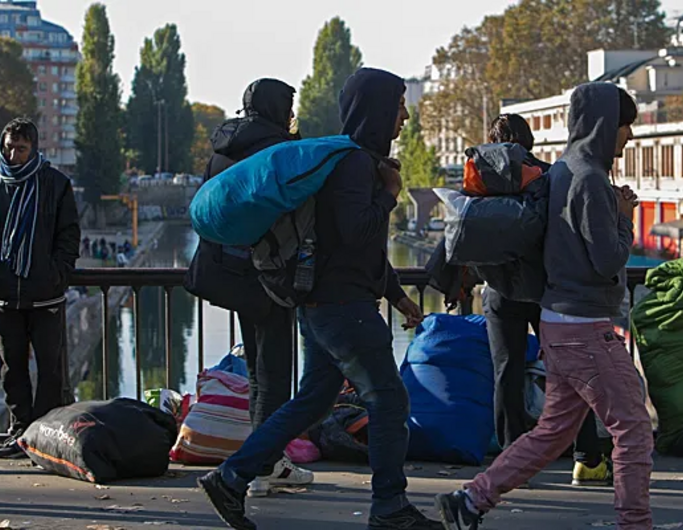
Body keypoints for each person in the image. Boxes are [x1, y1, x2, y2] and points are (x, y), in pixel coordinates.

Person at [199, 68, 440, 530]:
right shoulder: (354, 166)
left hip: (324, 306)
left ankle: (231, 478)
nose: (405, 117)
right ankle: (389, 506)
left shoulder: (351, 160)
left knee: (312, 401)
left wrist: (398, 296)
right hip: (343, 309)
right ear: (377, 110)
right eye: (399, 106)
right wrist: (389, 197)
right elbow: (355, 236)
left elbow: (357, 249)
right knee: (390, 402)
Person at [435, 84, 652, 530]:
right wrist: (625, 217)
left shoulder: (563, 173)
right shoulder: (590, 178)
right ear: (604, 125)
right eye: (625, 124)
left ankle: (471, 500)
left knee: (553, 432)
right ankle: (636, 522)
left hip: (557, 322)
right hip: (586, 326)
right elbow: (607, 259)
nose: (629, 135)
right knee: (632, 430)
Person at [484, 113, 609, 486]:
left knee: (506, 373)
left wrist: (449, 276)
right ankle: (587, 456)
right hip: (547, 289)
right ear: (531, 140)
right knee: (570, 373)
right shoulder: (550, 175)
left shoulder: (485, 177)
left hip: (500, 290)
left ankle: (511, 460)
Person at [203, 78, 313, 497]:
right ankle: (264, 466)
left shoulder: (222, 149)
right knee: (275, 373)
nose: (291, 116)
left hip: (232, 272)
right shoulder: (274, 149)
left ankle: (261, 459)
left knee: (255, 369)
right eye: (289, 108)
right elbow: (291, 202)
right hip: (271, 272)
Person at [0, 118, 80, 459]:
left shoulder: (55, 185)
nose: (14, 155)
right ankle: (19, 434)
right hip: (6, 295)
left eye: (21, 149)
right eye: (9, 147)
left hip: (46, 292)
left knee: (50, 368)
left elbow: (69, 235)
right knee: (12, 368)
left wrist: (56, 273)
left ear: (34, 150)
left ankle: (46, 434)